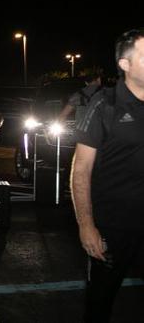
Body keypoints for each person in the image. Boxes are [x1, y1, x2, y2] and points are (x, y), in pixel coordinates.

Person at [71, 28, 144, 322]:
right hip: (113, 227)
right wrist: (86, 225)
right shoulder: (104, 105)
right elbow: (80, 170)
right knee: (100, 303)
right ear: (125, 64)